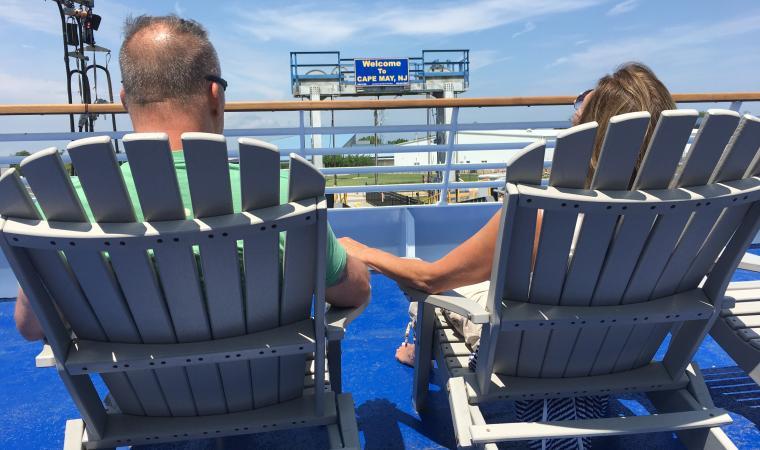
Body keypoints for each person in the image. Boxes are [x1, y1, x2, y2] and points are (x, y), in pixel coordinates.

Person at [340, 62, 676, 450]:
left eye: (577, 115)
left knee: (428, 300)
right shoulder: (690, 211)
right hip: (624, 348)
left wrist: (364, 251)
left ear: (591, 136)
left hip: (536, 353)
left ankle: (424, 350)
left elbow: (429, 280)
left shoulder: (545, 211)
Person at [15, 15, 370, 341]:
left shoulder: (64, 207)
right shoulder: (285, 192)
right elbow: (354, 292)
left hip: (140, 401)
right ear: (215, 95)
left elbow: (31, 325)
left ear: (124, 100)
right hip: (276, 391)